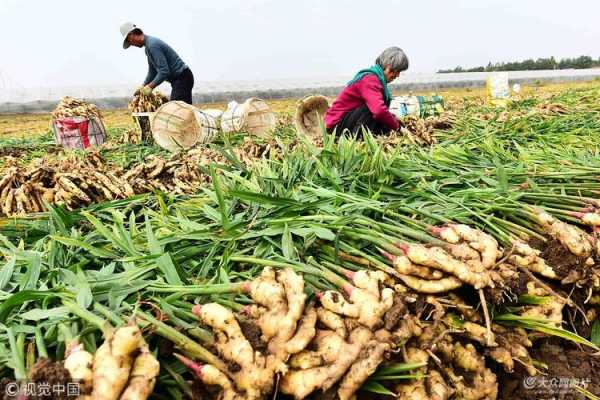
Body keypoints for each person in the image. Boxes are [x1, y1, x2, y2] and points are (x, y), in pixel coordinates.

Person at [324, 47, 409, 138]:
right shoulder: (369, 80)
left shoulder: (376, 79)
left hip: (349, 120)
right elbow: (379, 111)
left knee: (387, 121)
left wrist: (395, 121)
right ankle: (357, 139)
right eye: (397, 71)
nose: (398, 75)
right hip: (336, 126)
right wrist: (398, 128)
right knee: (374, 110)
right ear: (389, 66)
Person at [120, 22, 194, 104]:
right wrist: (143, 86)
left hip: (182, 78)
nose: (132, 45)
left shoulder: (152, 45)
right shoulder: (148, 48)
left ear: (132, 35)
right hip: (179, 80)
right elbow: (153, 71)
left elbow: (164, 71)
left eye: (129, 41)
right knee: (182, 112)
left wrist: (150, 87)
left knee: (175, 111)